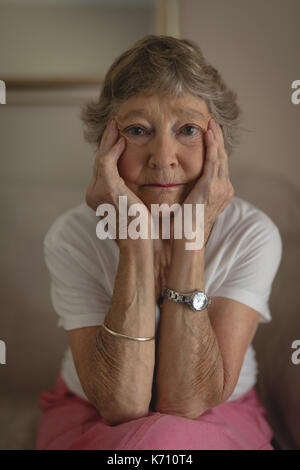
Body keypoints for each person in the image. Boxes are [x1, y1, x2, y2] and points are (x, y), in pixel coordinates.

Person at [35, 35, 282, 450]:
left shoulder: (253, 234)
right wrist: (136, 244)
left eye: (187, 129)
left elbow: (187, 402)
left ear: (217, 142)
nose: (163, 157)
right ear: (106, 146)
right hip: (90, 408)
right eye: (137, 130)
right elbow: (121, 405)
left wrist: (190, 238)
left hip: (216, 410)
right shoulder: (72, 236)